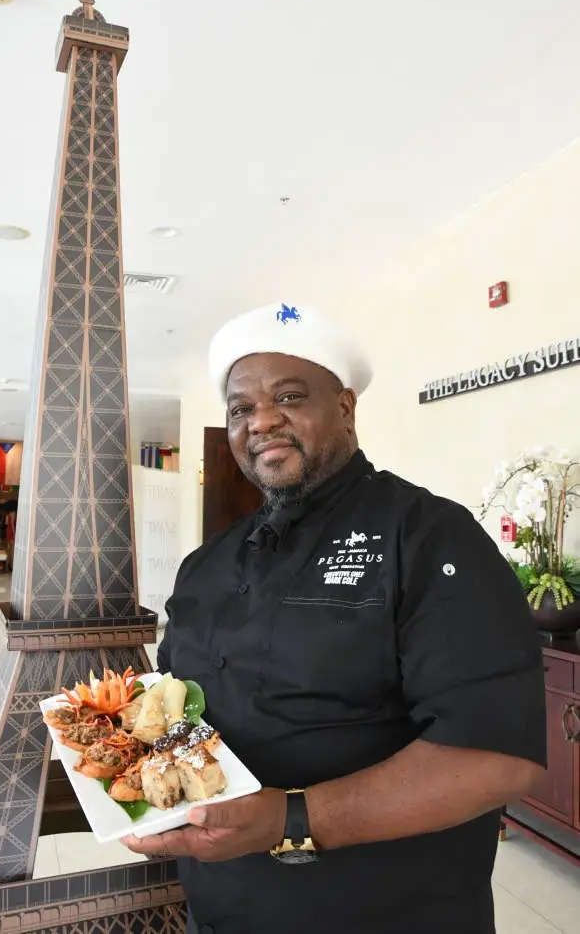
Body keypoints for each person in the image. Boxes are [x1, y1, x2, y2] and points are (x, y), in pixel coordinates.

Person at [122, 303, 546, 934]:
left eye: (289, 396)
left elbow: (496, 758)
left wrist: (289, 819)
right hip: (219, 909)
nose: (262, 419)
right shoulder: (205, 564)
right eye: (240, 408)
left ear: (345, 408)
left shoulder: (430, 538)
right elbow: (171, 710)